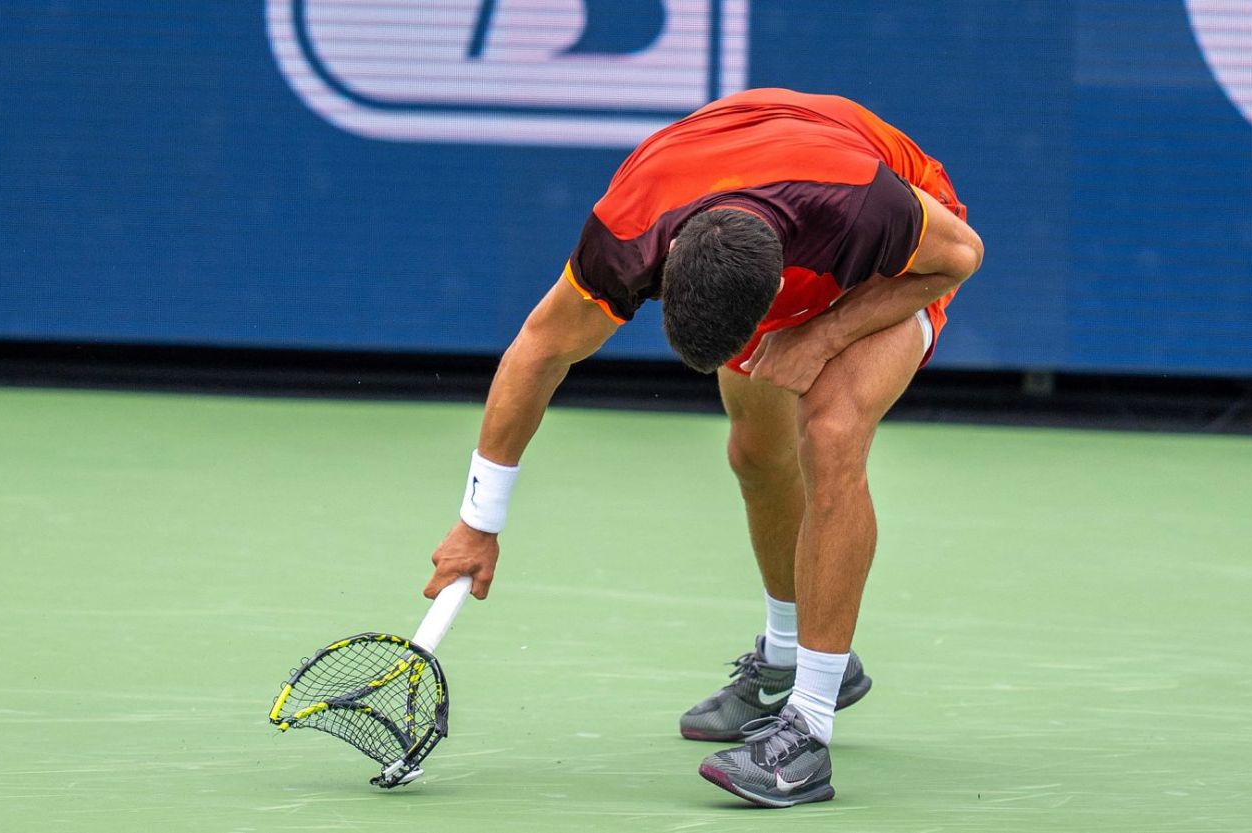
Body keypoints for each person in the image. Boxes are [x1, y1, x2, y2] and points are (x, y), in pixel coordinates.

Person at [421, 88, 984, 808]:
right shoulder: (631, 227)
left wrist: (821, 335)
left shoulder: (866, 208)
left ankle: (806, 733)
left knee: (831, 430)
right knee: (755, 453)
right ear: (669, 260)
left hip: (895, 253)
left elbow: (961, 257)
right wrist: (478, 522)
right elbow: (539, 350)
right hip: (750, 197)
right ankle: (790, 656)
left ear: (778, 288)